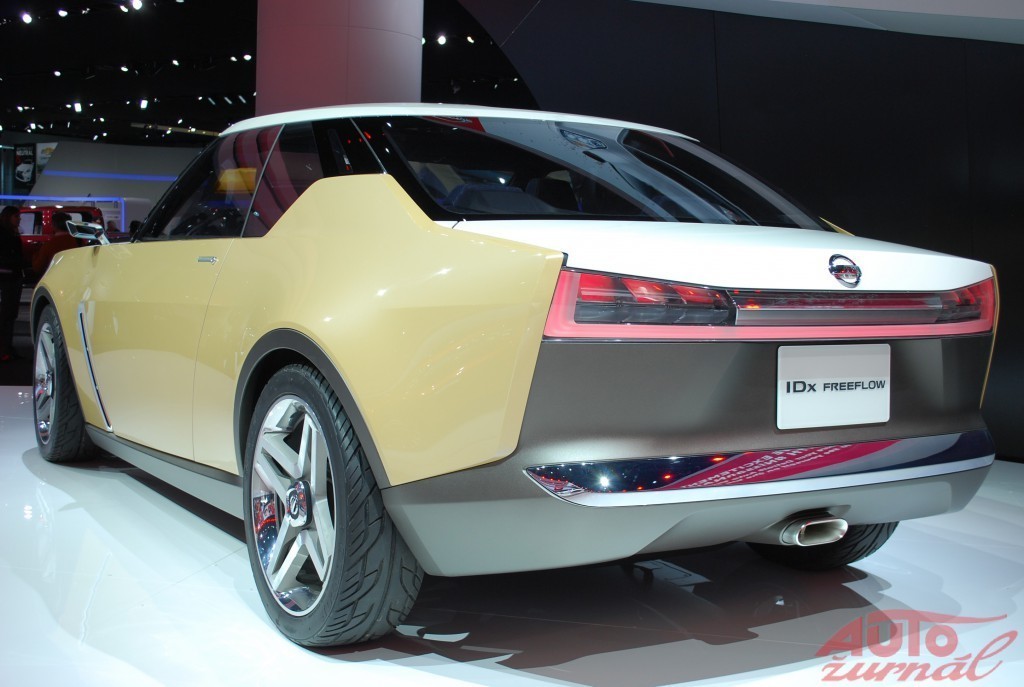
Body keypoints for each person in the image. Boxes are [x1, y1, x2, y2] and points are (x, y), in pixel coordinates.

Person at [0, 205, 25, 362]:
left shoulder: (9, 233)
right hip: (8, 274)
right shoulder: (7, 234)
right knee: (8, 314)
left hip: (11, 274)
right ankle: (5, 349)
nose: (19, 219)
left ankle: (6, 348)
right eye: (16, 216)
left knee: (9, 313)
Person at [32, 211, 79, 277]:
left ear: (54, 225)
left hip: (55, 278)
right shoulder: (78, 241)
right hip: (74, 276)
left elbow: (38, 267)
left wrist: (35, 256)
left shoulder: (50, 244)